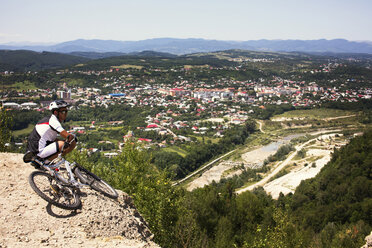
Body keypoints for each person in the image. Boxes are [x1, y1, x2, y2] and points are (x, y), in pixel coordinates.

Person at [25, 100, 76, 164]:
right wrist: (73, 138)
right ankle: (45, 162)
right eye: (63, 111)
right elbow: (67, 136)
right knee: (65, 144)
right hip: (38, 152)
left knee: (62, 143)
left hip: (35, 150)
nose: (65, 114)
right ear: (55, 112)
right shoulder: (53, 121)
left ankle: (45, 161)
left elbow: (53, 139)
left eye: (66, 111)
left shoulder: (50, 119)